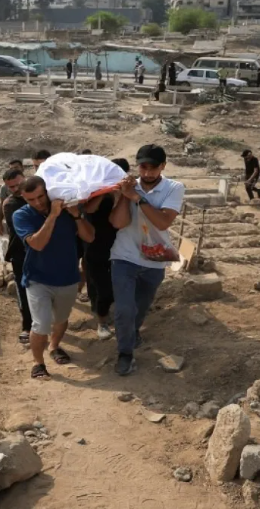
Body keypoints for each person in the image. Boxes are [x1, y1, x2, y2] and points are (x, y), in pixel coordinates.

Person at [108, 144, 184, 376]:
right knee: (124, 309)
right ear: (137, 166)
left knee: (141, 306)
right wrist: (125, 196)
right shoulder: (129, 186)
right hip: (124, 255)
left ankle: (132, 332)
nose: (148, 173)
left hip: (155, 258)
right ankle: (125, 353)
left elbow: (162, 222)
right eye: (143, 167)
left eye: (153, 168)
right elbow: (118, 223)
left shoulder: (174, 188)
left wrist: (137, 198)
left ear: (163, 166)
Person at [12, 176, 95, 379]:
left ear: (47, 192)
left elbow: (89, 237)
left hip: (68, 277)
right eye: (31, 199)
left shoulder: (68, 210)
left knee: (61, 319)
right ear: (23, 198)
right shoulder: (21, 215)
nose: (38, 202)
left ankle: (54, 346)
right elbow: (37, 244)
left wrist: (76, 216)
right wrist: (52, 216)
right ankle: (38, 363)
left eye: (41, 196)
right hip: (37, 278)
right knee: (40, 324)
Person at [83, 158, 126, 340]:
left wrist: (122, 193)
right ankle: (102, 322)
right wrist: (104, 191)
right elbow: (89, 210)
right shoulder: (95, 190)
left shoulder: (126, 192)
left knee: (119, 286)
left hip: (121, 246)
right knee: (103, 289)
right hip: (97, 246)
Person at [1, 169, 33, 345]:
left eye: (18, 184)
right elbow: (22, 228)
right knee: (23, 289)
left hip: (41, 251)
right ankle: (27, 326)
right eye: (11, 187)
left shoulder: (38, 195)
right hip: (20, 253)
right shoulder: (10, 204)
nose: (15, 189)